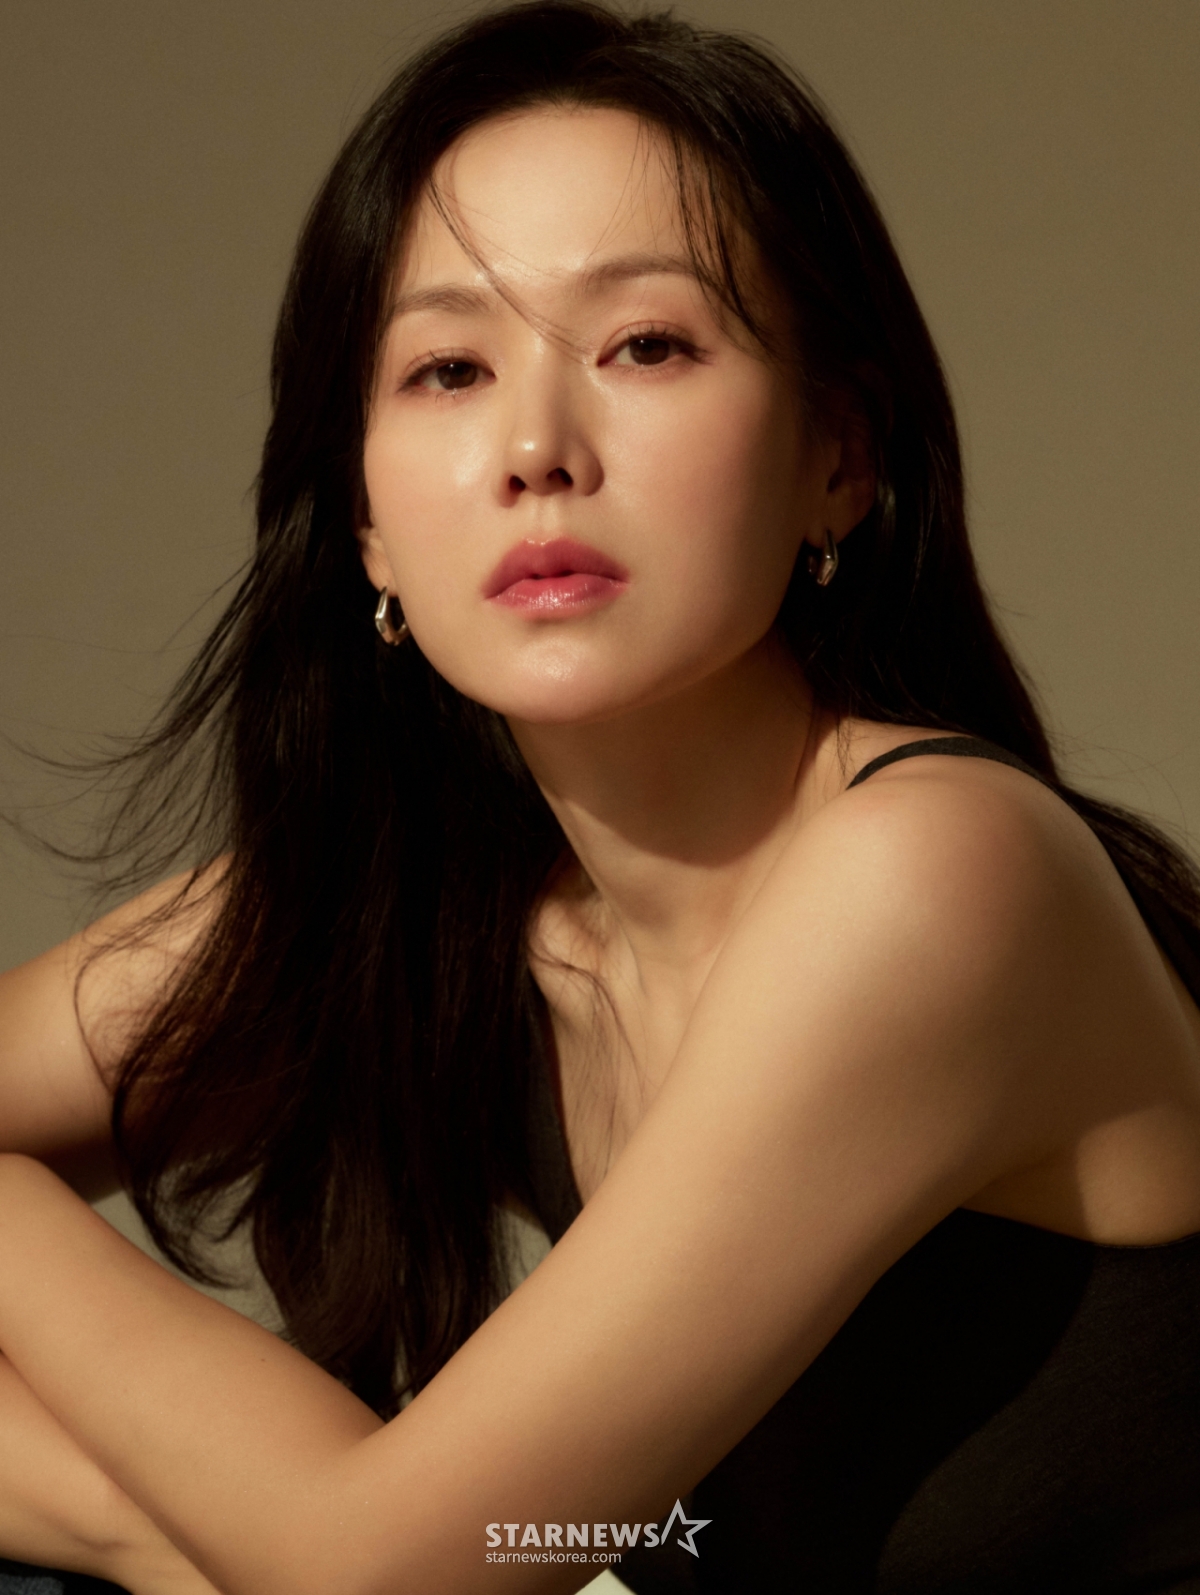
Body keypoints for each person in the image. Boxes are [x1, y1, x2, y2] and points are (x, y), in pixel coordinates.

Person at [1, 2, 1198, 1591]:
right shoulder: (462, 897)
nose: (535, 448)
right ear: (366, 528)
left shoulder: (939, 872)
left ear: (840, 457)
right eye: (446, 368)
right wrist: (140, 1531)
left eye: (648, 346)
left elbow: (381, 1574)